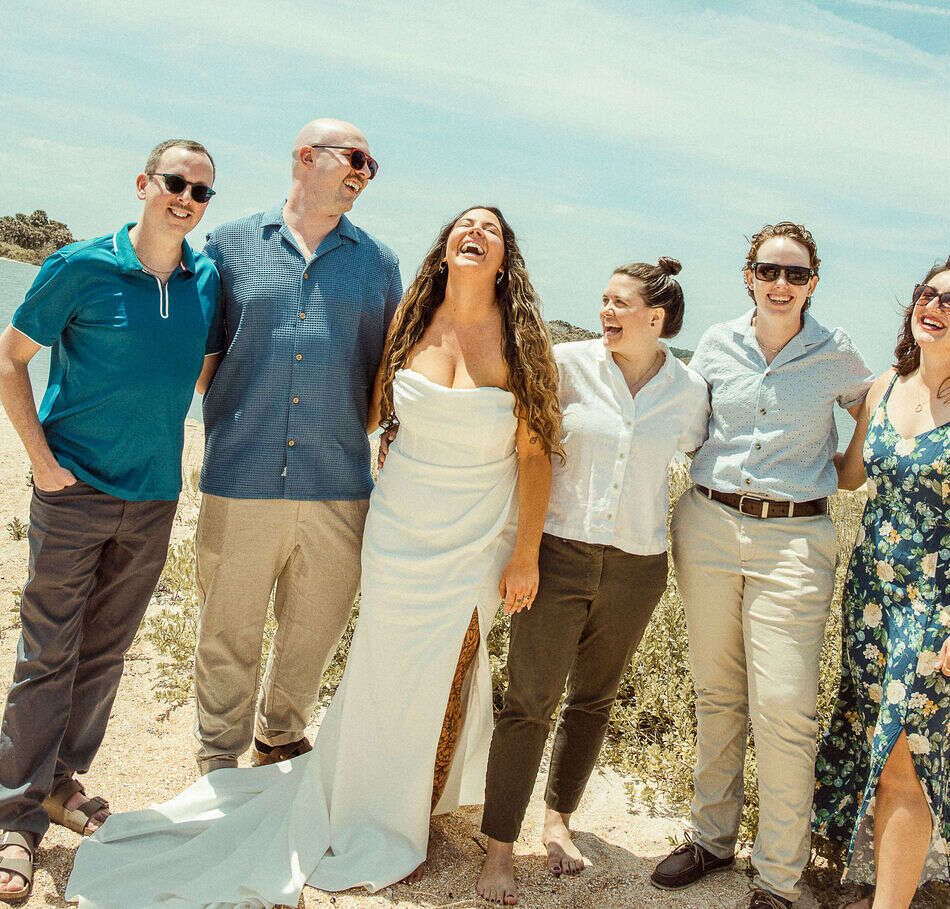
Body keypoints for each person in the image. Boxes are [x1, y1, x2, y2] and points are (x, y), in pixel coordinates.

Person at [65, 205, 561, 907]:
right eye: (463, 225)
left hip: (477, 536)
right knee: (382, 666)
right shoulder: (408, 323)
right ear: (445, 246)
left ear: (506, 259)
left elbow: (536, 454)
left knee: (452, 663)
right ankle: (362, 791)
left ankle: (414, 803)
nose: (475, 233)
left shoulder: (522, 342)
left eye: (492, 230)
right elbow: (370, 405)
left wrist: (527, 554)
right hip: (397, 528)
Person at [0, 139, 221, 902]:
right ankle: (14, 820)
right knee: (47, 654)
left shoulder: (205, 278)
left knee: (105, 653)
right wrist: (40, 461)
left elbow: (203, 369)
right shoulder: (79, 266)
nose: (186, 198)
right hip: (73, 492)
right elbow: (10, 357)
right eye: (175, 182)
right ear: (144, 183)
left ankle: (60, 782)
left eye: (200, 191)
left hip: (153, 498)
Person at [650, 222, 873, 909]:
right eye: (769, 270)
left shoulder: (836, 352)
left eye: (796, 273)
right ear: (749, 274)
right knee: (717, 690)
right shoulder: (717, 344)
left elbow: (878, 406)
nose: (782, 284)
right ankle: (711, 839)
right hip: (708, 523)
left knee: (783, 706)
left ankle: (779, 874)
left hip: (795, 538)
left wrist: (849, 467)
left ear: (813, 282)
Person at [475, 257, 710, 905]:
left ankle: (558, 821)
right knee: (529, 700)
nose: (607, 311)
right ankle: (499, 848)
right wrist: (522, 551)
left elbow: (708, 463)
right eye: (603, 300)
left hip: (637, 566)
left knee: (594, 700)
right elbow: (525, 444)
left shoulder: (689, 391)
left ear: (656, 318)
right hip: (556, 555)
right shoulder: (568, 363)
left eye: (620, 303)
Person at [191, 118, 403, 775]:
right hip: (240, 472)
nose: (365, 174)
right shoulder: (226, 245)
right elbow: (204, 359)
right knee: (227, 628)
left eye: (372, 167)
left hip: (337, 483)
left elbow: (381, 378)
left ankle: (280, 734)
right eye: (358, 159)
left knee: (315, 628)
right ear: (308, 156)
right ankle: (217, 757)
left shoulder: (380, 264)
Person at [813, 260, 950, 909]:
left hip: (948, 608)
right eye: (927, 293)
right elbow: (848, 476)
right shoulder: (885, 386)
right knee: (878, 749)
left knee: (906, 762)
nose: (934, 304)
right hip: (875, 596)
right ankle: (877, 883)